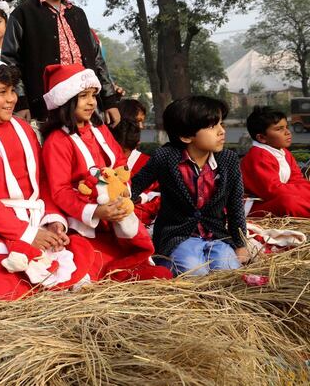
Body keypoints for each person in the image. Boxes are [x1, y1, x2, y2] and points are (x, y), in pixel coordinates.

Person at [0, 60, 100, 300]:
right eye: (1, 92)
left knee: (79, 273)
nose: (11, 99)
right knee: (9, 299)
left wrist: (52, 221)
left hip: (35, 220)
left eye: (12, 91)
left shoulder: (24, 128)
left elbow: (43, 182)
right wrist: (26, 234)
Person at [40, 64, 172, 281]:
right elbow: (60, 190)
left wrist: (122, 191)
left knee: (139, 250)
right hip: (83, 222)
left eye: (93, 95)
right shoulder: (57, 141)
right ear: (64, 100)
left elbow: (120, 161)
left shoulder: (99, 129)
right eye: (83, 96)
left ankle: (133, 266)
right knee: (88, 266)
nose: (92, 102)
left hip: (113, 214)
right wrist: (95, 211)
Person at [2, 0, 120, 125]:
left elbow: (97, 59)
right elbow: (10, 62)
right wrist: (22, 102)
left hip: (86, 107)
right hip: (45, 110)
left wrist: (109, 100)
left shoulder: (78, 15)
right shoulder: (23, 14)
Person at [131, 96, 249, 276]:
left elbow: (235, 206)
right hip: (177, 236)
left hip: (216, 235)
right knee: (194, 272)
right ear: (186, 136)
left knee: (228, 271)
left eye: (221, 124)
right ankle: (167, 261)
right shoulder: (166, 157)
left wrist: (240, 245)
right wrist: (120, 205)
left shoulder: (228, 160)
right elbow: (135, 186)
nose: (221, 131)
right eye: (212, 126)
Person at [240, 106, 310, 217]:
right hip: (256, 206)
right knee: (288, 202)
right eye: (279, 129)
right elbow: (273, 191)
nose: (287, 132)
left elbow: (297, 179)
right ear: (262, 138)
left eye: (287, 127)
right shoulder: (258, 156)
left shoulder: (284, 153)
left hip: (280, 196)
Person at [111, 119, 161, 226]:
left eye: (124, 152)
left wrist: (142, 197)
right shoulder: (103, 158)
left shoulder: (147, 163)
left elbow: (158, 193)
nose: (121, 156)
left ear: (137, 144)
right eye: (116, 150)